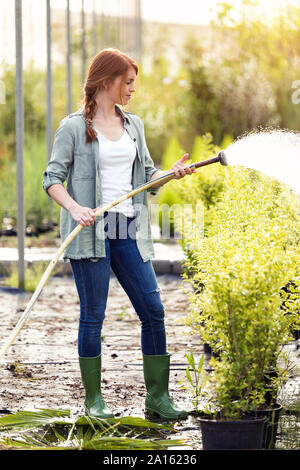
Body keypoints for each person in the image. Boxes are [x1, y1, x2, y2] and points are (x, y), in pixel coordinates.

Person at [43, 48, 195, 420]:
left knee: (153, 311)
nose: (132, 90)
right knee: (93, 316)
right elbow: (52, 179)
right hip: (91, 230)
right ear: (107, 81)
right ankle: (94, 402)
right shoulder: (75, 127)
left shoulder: (134, 125)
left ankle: (158, 399)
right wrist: (76, 208)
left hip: (126, 226)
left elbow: (146, 176)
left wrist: (168, 174)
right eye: (127, 83)